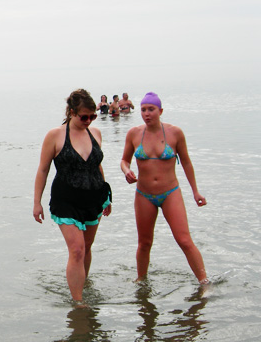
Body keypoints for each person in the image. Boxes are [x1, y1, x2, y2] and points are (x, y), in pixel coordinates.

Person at [33, 89, 112, 303]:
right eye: (83, 116)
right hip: (66, 200)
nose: (88, 120)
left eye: (92, 116)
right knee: (76, 250)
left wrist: (107, 196)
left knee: (86, 249)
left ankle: (83, 286)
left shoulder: (95, 133)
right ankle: (79, 304)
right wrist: (36, 202)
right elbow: (43, 169)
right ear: (71, 112)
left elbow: (97, 166)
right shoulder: (55, 135)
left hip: (94, 198)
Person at [120, 92, 208, 284]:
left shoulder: (175, 133)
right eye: (143, 110)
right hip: (144, 195)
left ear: (160, 111)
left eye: (151, 109)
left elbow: (186, 163)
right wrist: (126, 171)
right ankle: (141, 282)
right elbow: (124, 160)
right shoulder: (134, 133)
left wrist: (195, 191)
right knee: (144, 243)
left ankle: (204, 282)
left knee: (184, 240)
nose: (146, 113)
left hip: (170, 193)